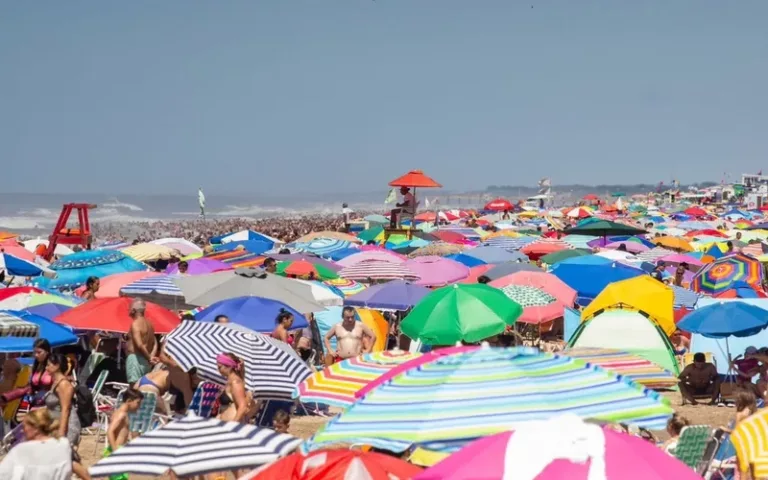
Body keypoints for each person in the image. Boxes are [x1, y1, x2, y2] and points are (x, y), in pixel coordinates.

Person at [0, 408, 89, 480]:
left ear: (35, 429)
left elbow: (3, 474)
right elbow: (77, 467)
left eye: (24, 427)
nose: (23, 430)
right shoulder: (63, 445)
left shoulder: (21, 450)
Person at [0, 338, 53, 410]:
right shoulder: (38, 366)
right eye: (34, 352)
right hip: (36, 405)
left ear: (47, 352)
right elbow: (28, 388)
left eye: (39, 352)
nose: (36, 355)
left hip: (50, 406)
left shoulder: (54, 366)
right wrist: (6, 397)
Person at [104, 388, 144, 475]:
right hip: (116, 449)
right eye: (138, 403)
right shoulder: (121, 414)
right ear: (129, 401)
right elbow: (110, 431)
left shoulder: (123, 413)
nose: (139, 406)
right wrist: (115, 451)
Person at [44, 354, 80, 446]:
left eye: (48, 365)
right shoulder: (55, 382)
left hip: (66, 426)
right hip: (55, 425)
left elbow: (66, 409)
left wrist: (62, 433)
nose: (46, 367)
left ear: (57, 366)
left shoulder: (64, 384)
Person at [125, 299, 157, 384]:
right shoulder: (150, 324)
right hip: (145, 362)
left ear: (134, 310)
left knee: (134, 388)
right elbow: (155, 343)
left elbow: (139, 344)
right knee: (142, 387)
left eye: (129, 309)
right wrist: (150, 357)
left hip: (136, 360)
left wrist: (150, 358)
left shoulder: (135, 324)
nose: (128, 311)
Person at [216, 353, 253, 423]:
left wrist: (233, 425)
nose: (218, 370)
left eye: (219, 367)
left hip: (232, 424)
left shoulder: (235, 382)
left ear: (229, 366)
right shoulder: (231, 381)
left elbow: (243, 406)